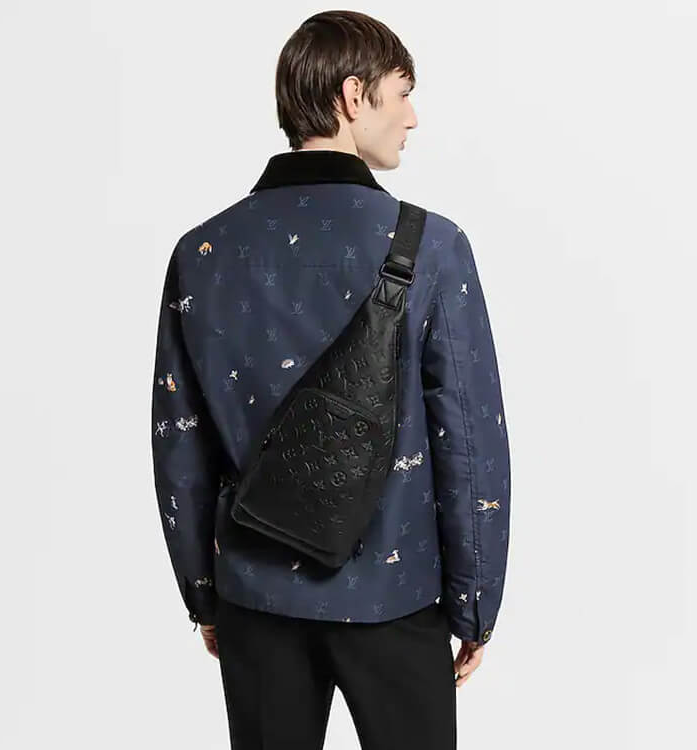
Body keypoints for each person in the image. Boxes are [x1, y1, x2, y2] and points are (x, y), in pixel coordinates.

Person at [150, 10, 511, 749]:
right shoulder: (433, 247)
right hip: (396, 595)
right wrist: (475, 604)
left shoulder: (202, 251)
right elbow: (471, 439)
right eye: (402, 93)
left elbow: (179, 442)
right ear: (353, 96)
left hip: (255, 597)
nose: (412, 117)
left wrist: (204, 595)